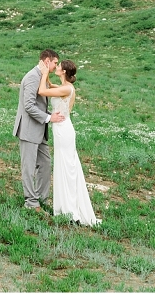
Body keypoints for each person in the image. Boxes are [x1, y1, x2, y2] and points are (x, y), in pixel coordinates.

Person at [38, 59, 101, 226]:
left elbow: (42, 91)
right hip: (61, 129)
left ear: (64, 71)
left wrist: (44, 74)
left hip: (64, 131)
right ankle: (67, 206)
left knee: (67, 166)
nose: (56, 67)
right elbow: (51, 87)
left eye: (58, 66)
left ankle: (70, 209)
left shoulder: (66, 88)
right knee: (63, 165)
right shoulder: (64, 87)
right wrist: (49, 80)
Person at [13, 49, 65, 211]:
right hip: (29, 130)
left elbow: (40, 104)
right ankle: (31, 203)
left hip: (40, 130)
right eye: (55, 62)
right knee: (28, 167)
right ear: (47, 61)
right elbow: (29, 106)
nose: (56, 65)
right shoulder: (32, 77)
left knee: (45, 163)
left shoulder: (42, 77)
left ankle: (42, 199)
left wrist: (51, 115)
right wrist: (49, 118)